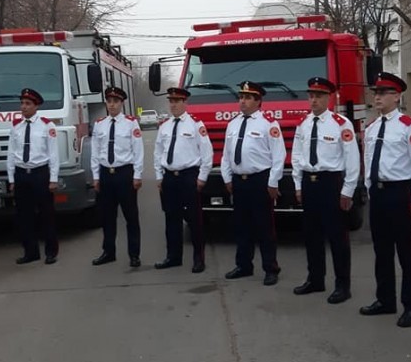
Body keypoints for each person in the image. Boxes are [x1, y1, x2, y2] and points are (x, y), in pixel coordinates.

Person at [358, 73, 411, 327]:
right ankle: (385, 299)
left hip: (400, 192)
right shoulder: (373, 126)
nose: (377, 97)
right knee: (382, 250)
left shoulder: (410, 126)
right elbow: (368, 158)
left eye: (383, 92)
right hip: (378, 192)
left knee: (407, 252)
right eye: (376, 92)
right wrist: (368, 187)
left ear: (396, 96)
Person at [291, 77, 360, 303]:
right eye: (311, 95)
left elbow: (352, 159)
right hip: (310, 183)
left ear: (328, 98)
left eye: (319, 96)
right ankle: (315, 279)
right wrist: (298, 184)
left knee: (337, 237)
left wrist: (348, 190)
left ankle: (343, 285)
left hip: (331, 183)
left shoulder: (341, 124)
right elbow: (297, 156)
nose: (314, 100)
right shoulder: (303, 123)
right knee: (311, 235)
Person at [220, 81, 285, 286]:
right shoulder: (233, 123)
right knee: (241, 226)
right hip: (239, 181)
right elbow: (226, 155)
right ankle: (244, 266)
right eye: (241, 97)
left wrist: (273, 183)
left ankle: (270, 268)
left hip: (260, 181)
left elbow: (278, 156)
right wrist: (227, 177)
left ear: (258, 101)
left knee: (264, 227)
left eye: (248, 97)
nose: (243, 101)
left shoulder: (268, 123)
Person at [153, 87, 213, 273]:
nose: (173, 104)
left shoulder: (196, 124)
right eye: (171, 101)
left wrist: (202, 178)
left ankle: (198, 259)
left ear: (185, 103)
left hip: (189, 177)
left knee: (195, 221)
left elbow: (207, 153)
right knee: (171, 219)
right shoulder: (164, 126)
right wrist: (159, 176)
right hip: (169, 177)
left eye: (177, 101)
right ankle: (173, 257)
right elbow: (158, 153)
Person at [90, 86, 144, 268]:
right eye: (109, 101)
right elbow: (95, 153)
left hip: (124, 174)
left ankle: (134, 254)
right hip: (106, 174)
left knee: (131, 217)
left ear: (122, 103)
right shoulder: (99, 124)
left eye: (115, 102)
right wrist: (96, 177)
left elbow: (138, 151)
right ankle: (108, 252)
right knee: (107, 217)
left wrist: (137, 175)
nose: (112, 105)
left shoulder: (130, 123)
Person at [6, 88, 60, 265]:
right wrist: (12, 179)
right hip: (22, 174)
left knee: (46, 215)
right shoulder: (16, 126)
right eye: (22, 103)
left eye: (28, 104)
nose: (24, 107)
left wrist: (53, 178)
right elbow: (11, 154)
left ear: (36, 106)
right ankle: (30, 252)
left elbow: (53, 154)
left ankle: (51, 251)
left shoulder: (47, 125)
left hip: (40, 173)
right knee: (24, 216)